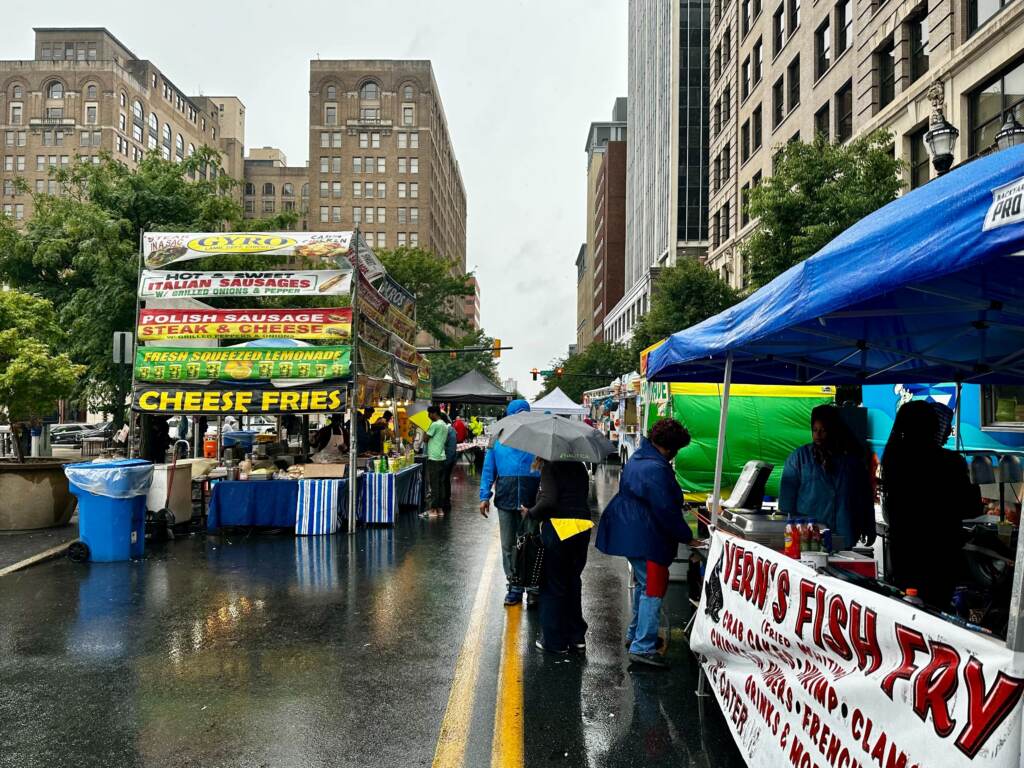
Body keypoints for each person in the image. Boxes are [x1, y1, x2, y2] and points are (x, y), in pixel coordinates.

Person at [597, 418, 693, 669]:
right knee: (653, 587)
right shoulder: (656, 468)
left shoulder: (640, 458)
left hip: (631, 531)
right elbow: (665, 510)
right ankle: (643, 646)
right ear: (671, 448)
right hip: (647, 536)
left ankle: (635, 635)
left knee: (643, 585)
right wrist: (687, 536)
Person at [881, 400, 982, 608]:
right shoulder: (951, 462)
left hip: (904, 552)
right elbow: (972, 507)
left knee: (907, 610)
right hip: (941, 553)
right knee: (937, 611)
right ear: (933, 427)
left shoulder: (893, 460)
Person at [778, 405, 875, 548]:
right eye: (815, 430)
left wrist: (869, 527)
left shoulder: (851, 460)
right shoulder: (799, 458)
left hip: (844, 536)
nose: (818, 435)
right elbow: (786, 504)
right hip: (809, 539)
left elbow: (865, 496)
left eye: (823, 430)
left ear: (833, 430)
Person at [523, 456, 592, 654]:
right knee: (572, 581)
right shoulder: (580, 465)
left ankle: (554, 641)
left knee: (552, 585)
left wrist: (531, 512)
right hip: (582, 528)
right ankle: (577, 637)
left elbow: (549, 500)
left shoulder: (550, 466)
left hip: (559, 529)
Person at [479, 399, 542, 606]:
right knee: (508, 545)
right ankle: (514, 585)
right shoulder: (497, 436)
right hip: (505, 497)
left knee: (532, 543)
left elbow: (546, 470)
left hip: (531, 500)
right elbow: (489, 468)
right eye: (517, 414)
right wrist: (484, 496)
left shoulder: (538, 436)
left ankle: (533, 587)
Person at [422, 406, 450, 517]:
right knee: (440, 484)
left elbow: (425, 439)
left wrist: (426, 428)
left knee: (434, 484)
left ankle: (433, 510)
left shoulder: (435, 425)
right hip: (442, 456)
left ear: (434, 413)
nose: (429, 416)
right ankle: (440, 509)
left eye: (429, 414)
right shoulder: (444, 424)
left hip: (434, 457)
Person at [439, 412, 458, 512]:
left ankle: (444, 500)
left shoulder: (448, 430)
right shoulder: (450, 430)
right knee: (445, 480)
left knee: (444, 479)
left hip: (447, 459)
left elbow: (449, 448)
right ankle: (446, 499)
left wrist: (446, 461)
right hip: (450, 459)